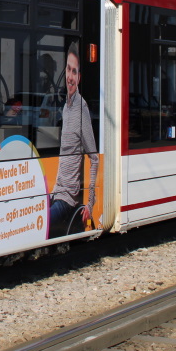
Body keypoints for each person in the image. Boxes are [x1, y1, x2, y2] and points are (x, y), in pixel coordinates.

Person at [49, 43, 99, 237]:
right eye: (68, 70)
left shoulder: (80, 108)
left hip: (68, 201)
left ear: (79, 77)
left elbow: (94, 158)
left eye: (74, 71)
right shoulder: (66, 107)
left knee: (40, 224)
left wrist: (90, 203)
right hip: (57, 193)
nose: (69, 76)